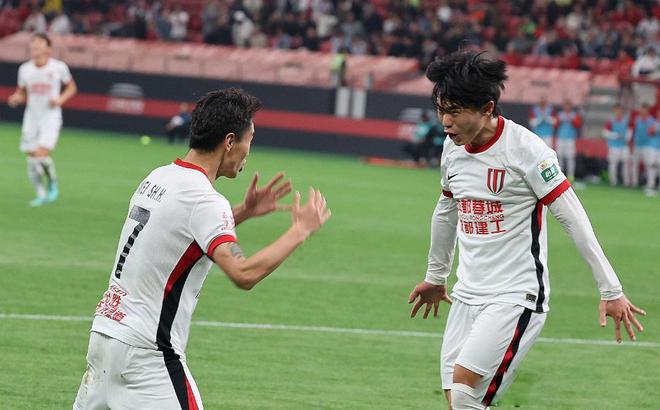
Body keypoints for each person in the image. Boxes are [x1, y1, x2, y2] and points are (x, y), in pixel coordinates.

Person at [407, 51, 645, 410]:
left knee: (466, 394)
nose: (445, 121)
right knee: (457, 399)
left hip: (516, 294)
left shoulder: (527, 150)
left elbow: (572, 218)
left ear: (487, 108)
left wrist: (611, 289)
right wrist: (436, 276)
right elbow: (447, 209)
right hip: (467, 293)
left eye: (454, 111)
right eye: (441, 110)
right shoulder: (452, 150)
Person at [73, 88, 331, 409]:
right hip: (148, 356)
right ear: (230, 141)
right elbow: (243, 273)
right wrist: (300, 230)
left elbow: (183, 233)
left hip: (105, 337)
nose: (249, 151)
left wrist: (243, 212)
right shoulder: (205, 200)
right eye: (250, 140)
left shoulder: (159, 177)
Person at [8, 32, 77, 207]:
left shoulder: (58, 67)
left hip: (50, 117)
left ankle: (52, 182)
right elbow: (22, 92)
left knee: (41, 154)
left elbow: (71, 87)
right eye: (33, 42)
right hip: (31, 118)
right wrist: (16, 98)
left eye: (39, 42)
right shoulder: (25, 69)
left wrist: (59, 100)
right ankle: (41, 193)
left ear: (48, 48)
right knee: (32, 158)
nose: (35, 45)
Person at [602, 105, 632, 187]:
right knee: (613, 164)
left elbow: (630, 131)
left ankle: (626, 182)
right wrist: (615, 135)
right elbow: (605, 133)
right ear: (614, 111)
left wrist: (627, 138)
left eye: (620, 110)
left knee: (626, 163)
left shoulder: (626, 121)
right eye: (617, 110)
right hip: (613, 145)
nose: (619, 112)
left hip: (624, 145)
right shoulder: (611, 121)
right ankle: (613, 181)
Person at [631, 105, 657, 195]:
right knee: (634, 164)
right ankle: (634, 183)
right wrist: (632, 142)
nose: (643, 112)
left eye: (644, 110)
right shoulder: (637, 119)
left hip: (647, 146)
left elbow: (652, 132)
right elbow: (634, 131)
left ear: (648, 110)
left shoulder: (652, 121)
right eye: (641, 110)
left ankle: (649, 183)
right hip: (637, 145)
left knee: (648, 165)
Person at [555, 99, 581, 181]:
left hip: (570, 139)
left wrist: (571, 119)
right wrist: (560, 120)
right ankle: (560, 176)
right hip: (561, 137)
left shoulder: (574, 115)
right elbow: (555, 124)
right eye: (565, 105)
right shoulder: (560, 114)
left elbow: (578, 124)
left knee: (570, 158)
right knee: (560, 157)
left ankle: (571, 176)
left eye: (568, 105)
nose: (567, 107)